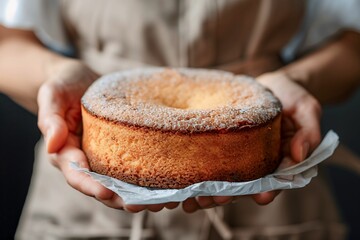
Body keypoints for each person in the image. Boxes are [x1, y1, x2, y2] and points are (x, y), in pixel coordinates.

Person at [0, 0, 360, 239]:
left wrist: (299, 81)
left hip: (271, 185)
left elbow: (352, 43)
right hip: (83, 195)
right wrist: (56, 72)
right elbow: (7, 42)